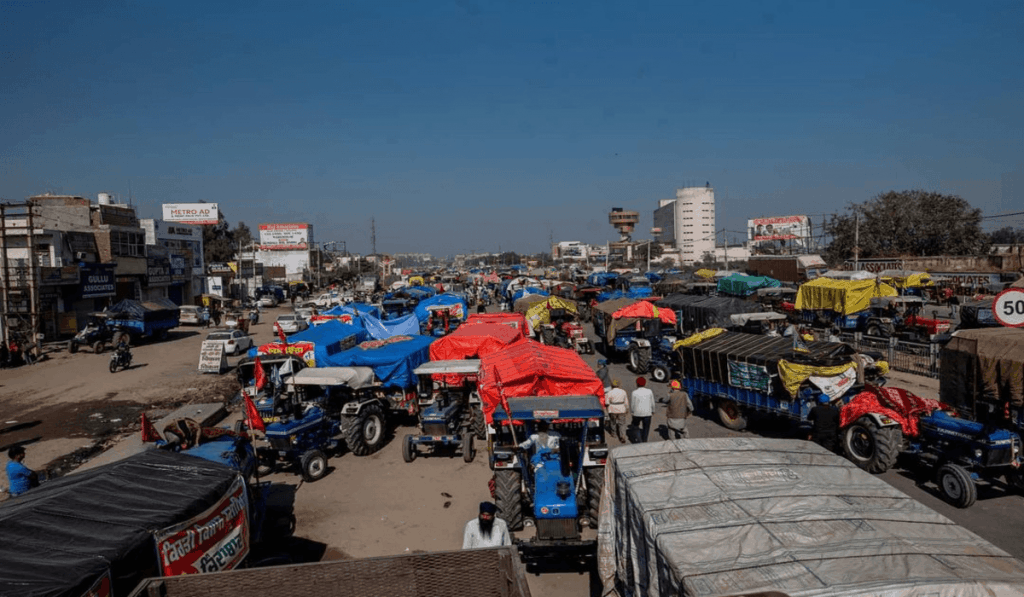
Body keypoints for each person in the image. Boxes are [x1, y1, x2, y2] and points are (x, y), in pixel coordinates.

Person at [630, 377, 656, 443]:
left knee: (635, 427)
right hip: (647, 413)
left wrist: (632, 411)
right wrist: (653, 410)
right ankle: (644, 440)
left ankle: (638, 439)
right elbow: (652, 402)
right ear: (645, 383)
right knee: (646, 428)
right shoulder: (649, 391)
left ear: (637, 384)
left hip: (637, 413)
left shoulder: (634, 392)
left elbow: (633, 404)